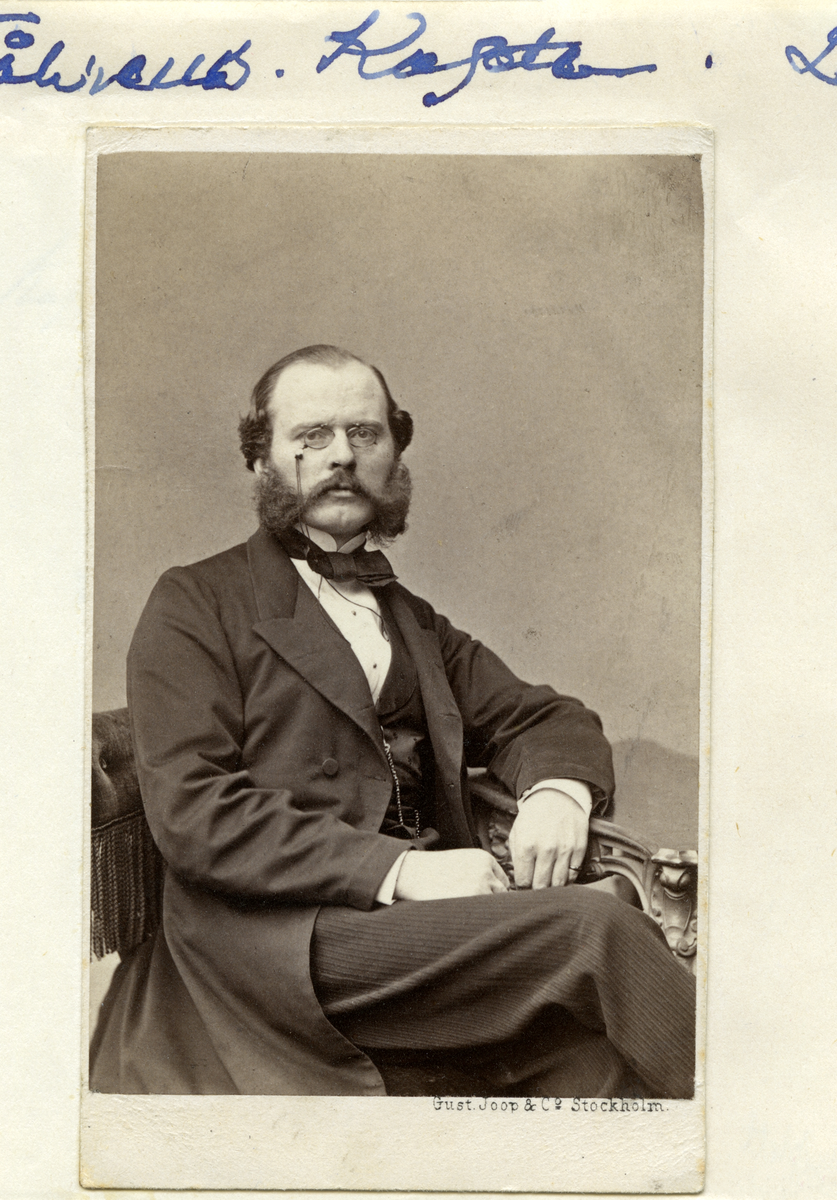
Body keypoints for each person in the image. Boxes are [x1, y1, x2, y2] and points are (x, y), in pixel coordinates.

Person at [89, 344, 696, 1098]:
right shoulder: (194, 603)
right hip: (276, 944)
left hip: (406, 944)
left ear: (395, 455)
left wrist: (556, 794)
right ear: (260, 459)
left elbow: (546, 717)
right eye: (311, 436)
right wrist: (403, 870)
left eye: (364, 433)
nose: (341, 456)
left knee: (600, 1068)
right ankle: (759, 1132)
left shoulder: (411, 621)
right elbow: (196, 814)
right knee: (594, 930)